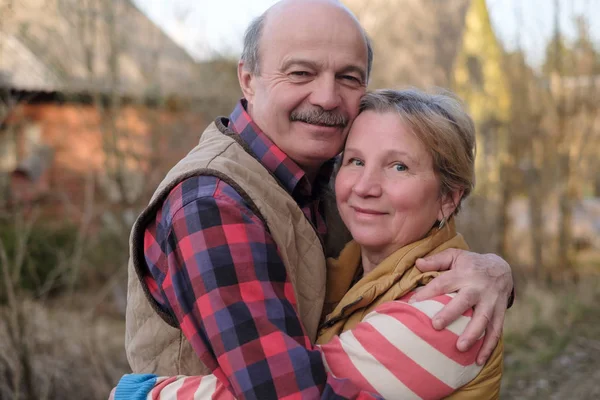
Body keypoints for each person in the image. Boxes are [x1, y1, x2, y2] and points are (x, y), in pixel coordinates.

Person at [123, 0, 513, 399]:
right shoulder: (214, 204)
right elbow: (285, 392)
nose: (327, 97)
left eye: (348, 77)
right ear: (248, 78)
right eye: (300, 73)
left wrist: (494, 270)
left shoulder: (325, 184)